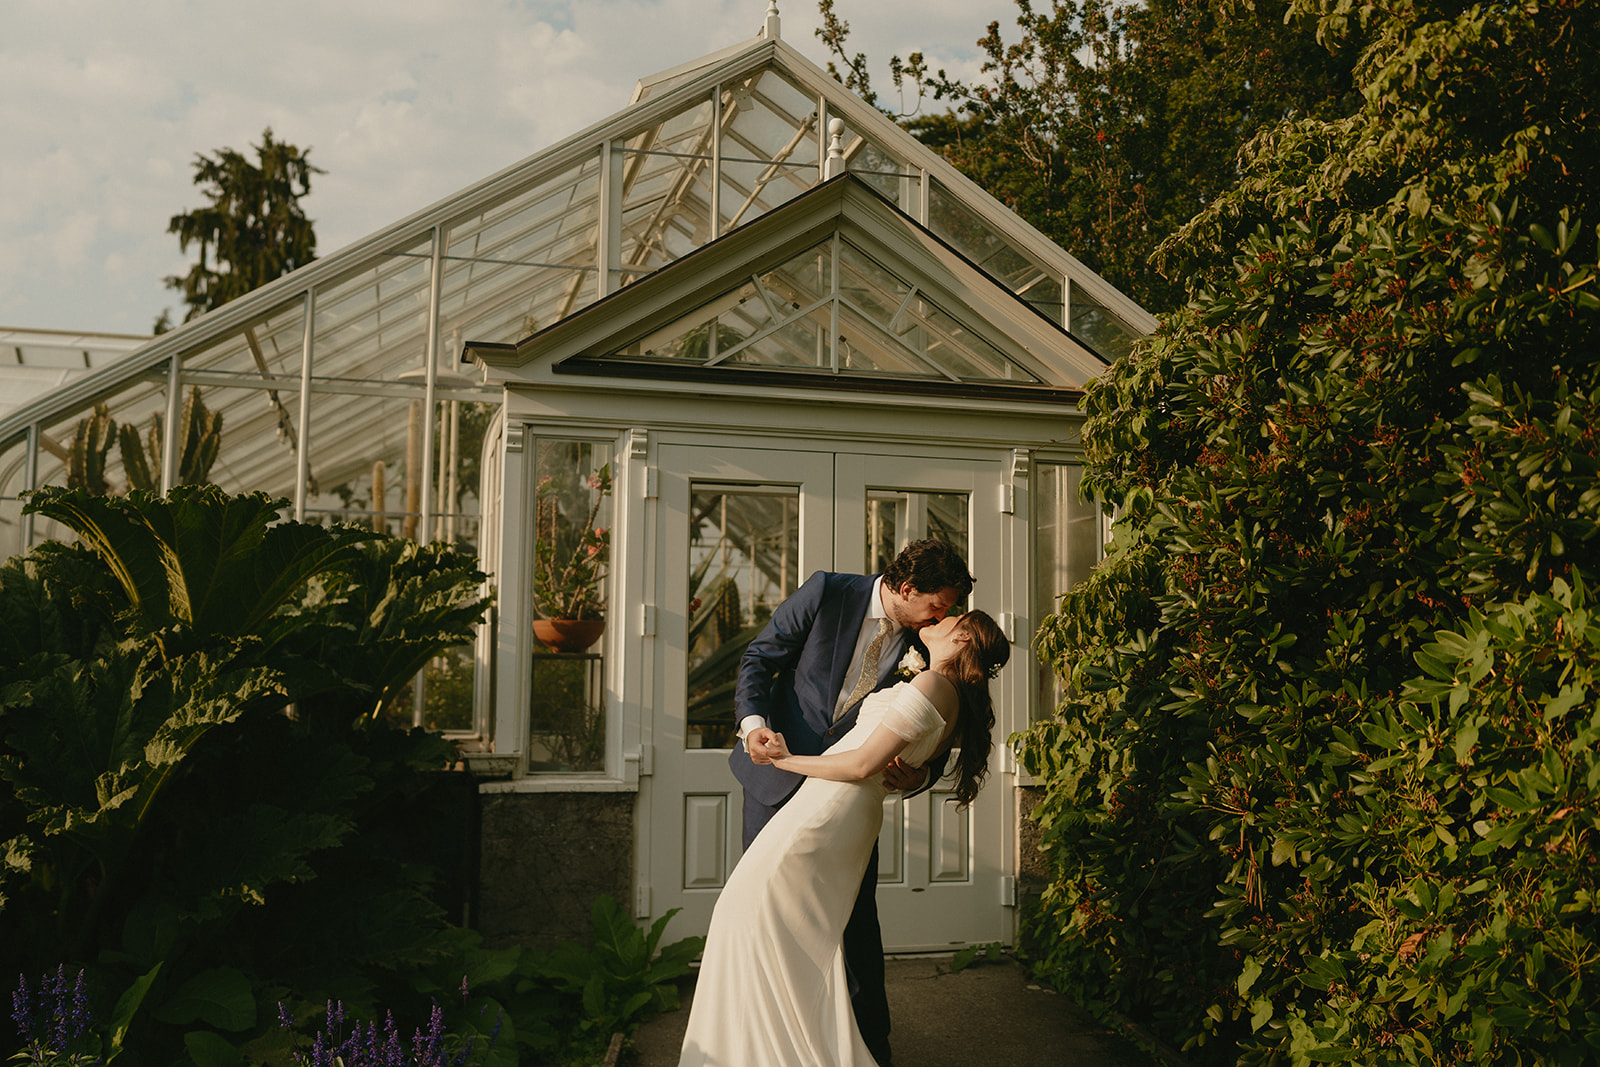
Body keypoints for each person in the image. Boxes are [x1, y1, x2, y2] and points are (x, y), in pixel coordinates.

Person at [678, 608, 1010, 1067]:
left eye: (953, 617)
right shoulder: (944, 690)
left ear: (963, 642)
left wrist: (783, 760)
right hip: (837, 810)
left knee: (748, 917)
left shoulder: (934, 684)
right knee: (774, 934)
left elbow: (859, 765)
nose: (940, 617)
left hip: (828, 812)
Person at [724, 538, 975, 1063]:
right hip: (775, 783)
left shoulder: (930, 644)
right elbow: (759, 658)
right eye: (939, 604)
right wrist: (753, 728)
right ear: (907, 589)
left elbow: (938, 727)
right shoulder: (825, 591)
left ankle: (869, 1048)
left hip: (847, 803)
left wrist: (919, 776)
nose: (944, 615)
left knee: (856, 923)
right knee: (766, 912)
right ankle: (766, 1041)